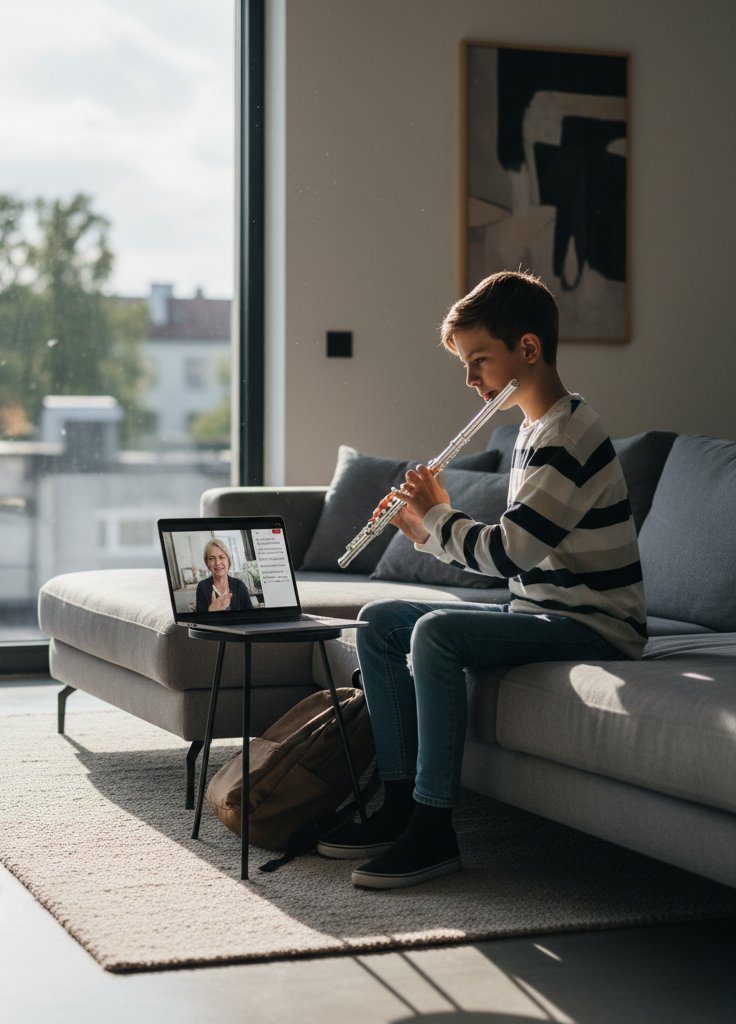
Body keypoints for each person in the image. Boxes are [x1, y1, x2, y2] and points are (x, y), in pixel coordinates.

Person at [317, 269, 646, 889]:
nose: (470, 379)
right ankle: (397, 805)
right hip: (539, 612)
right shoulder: (529, 430)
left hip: (595, 625)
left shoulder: (571, 432)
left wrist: (439, 514)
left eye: (479, 361)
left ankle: (433, 827)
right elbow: (513, 557)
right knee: (380, 622)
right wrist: (423, 529)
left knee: (437, 634)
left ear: (528, 349)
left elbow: (511, 552)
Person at [195, 539, 255, 612]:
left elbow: (251, 616)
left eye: (221, 557)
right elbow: (200, 621)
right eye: (212, 559)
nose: (217, 563)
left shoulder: (239, 585)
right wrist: (211, 610)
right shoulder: (202, 587)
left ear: (228, 560)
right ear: (207, 563)